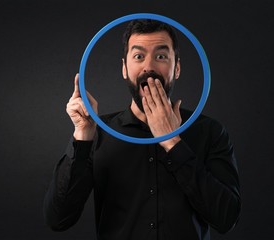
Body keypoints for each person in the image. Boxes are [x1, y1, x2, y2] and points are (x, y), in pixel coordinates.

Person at [43, 19, 241, 240]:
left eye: (161, 56)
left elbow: (226, 218)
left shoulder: (210, 131)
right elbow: (58, 219)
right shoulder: (99, 132)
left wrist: (173, 143)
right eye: (139, 56)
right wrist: (82, 137)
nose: (149, 67)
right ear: (124, 69)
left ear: (176, 68)